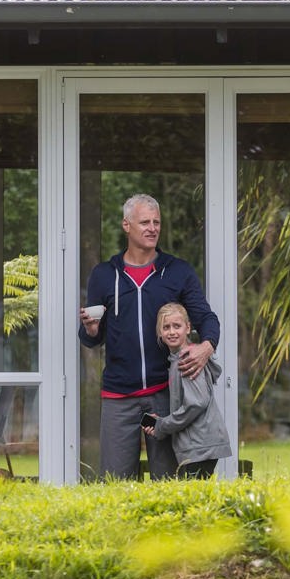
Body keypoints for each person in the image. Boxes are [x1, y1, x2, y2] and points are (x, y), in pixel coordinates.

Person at [78, 193, 220, 480]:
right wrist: (91, 329)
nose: (152, 228)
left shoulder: (177, 271)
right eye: (145, 222)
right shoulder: (104, 275)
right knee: (116, 485)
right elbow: (92, 338)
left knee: (168, 481)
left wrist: (206, 347)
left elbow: (206, 318)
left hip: (164, 395)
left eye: (157, 222)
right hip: (119, 397)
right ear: (126, 225)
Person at [142, 303, 232, 479]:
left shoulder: (187, 360)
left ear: (188, 328)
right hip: (196, 445)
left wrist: (162, 425)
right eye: (166, 327)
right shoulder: (177, 359)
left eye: (177, 326)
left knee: (194, 499)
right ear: (159, 332)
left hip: (200, 445)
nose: (172, 332)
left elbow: (196, 403)